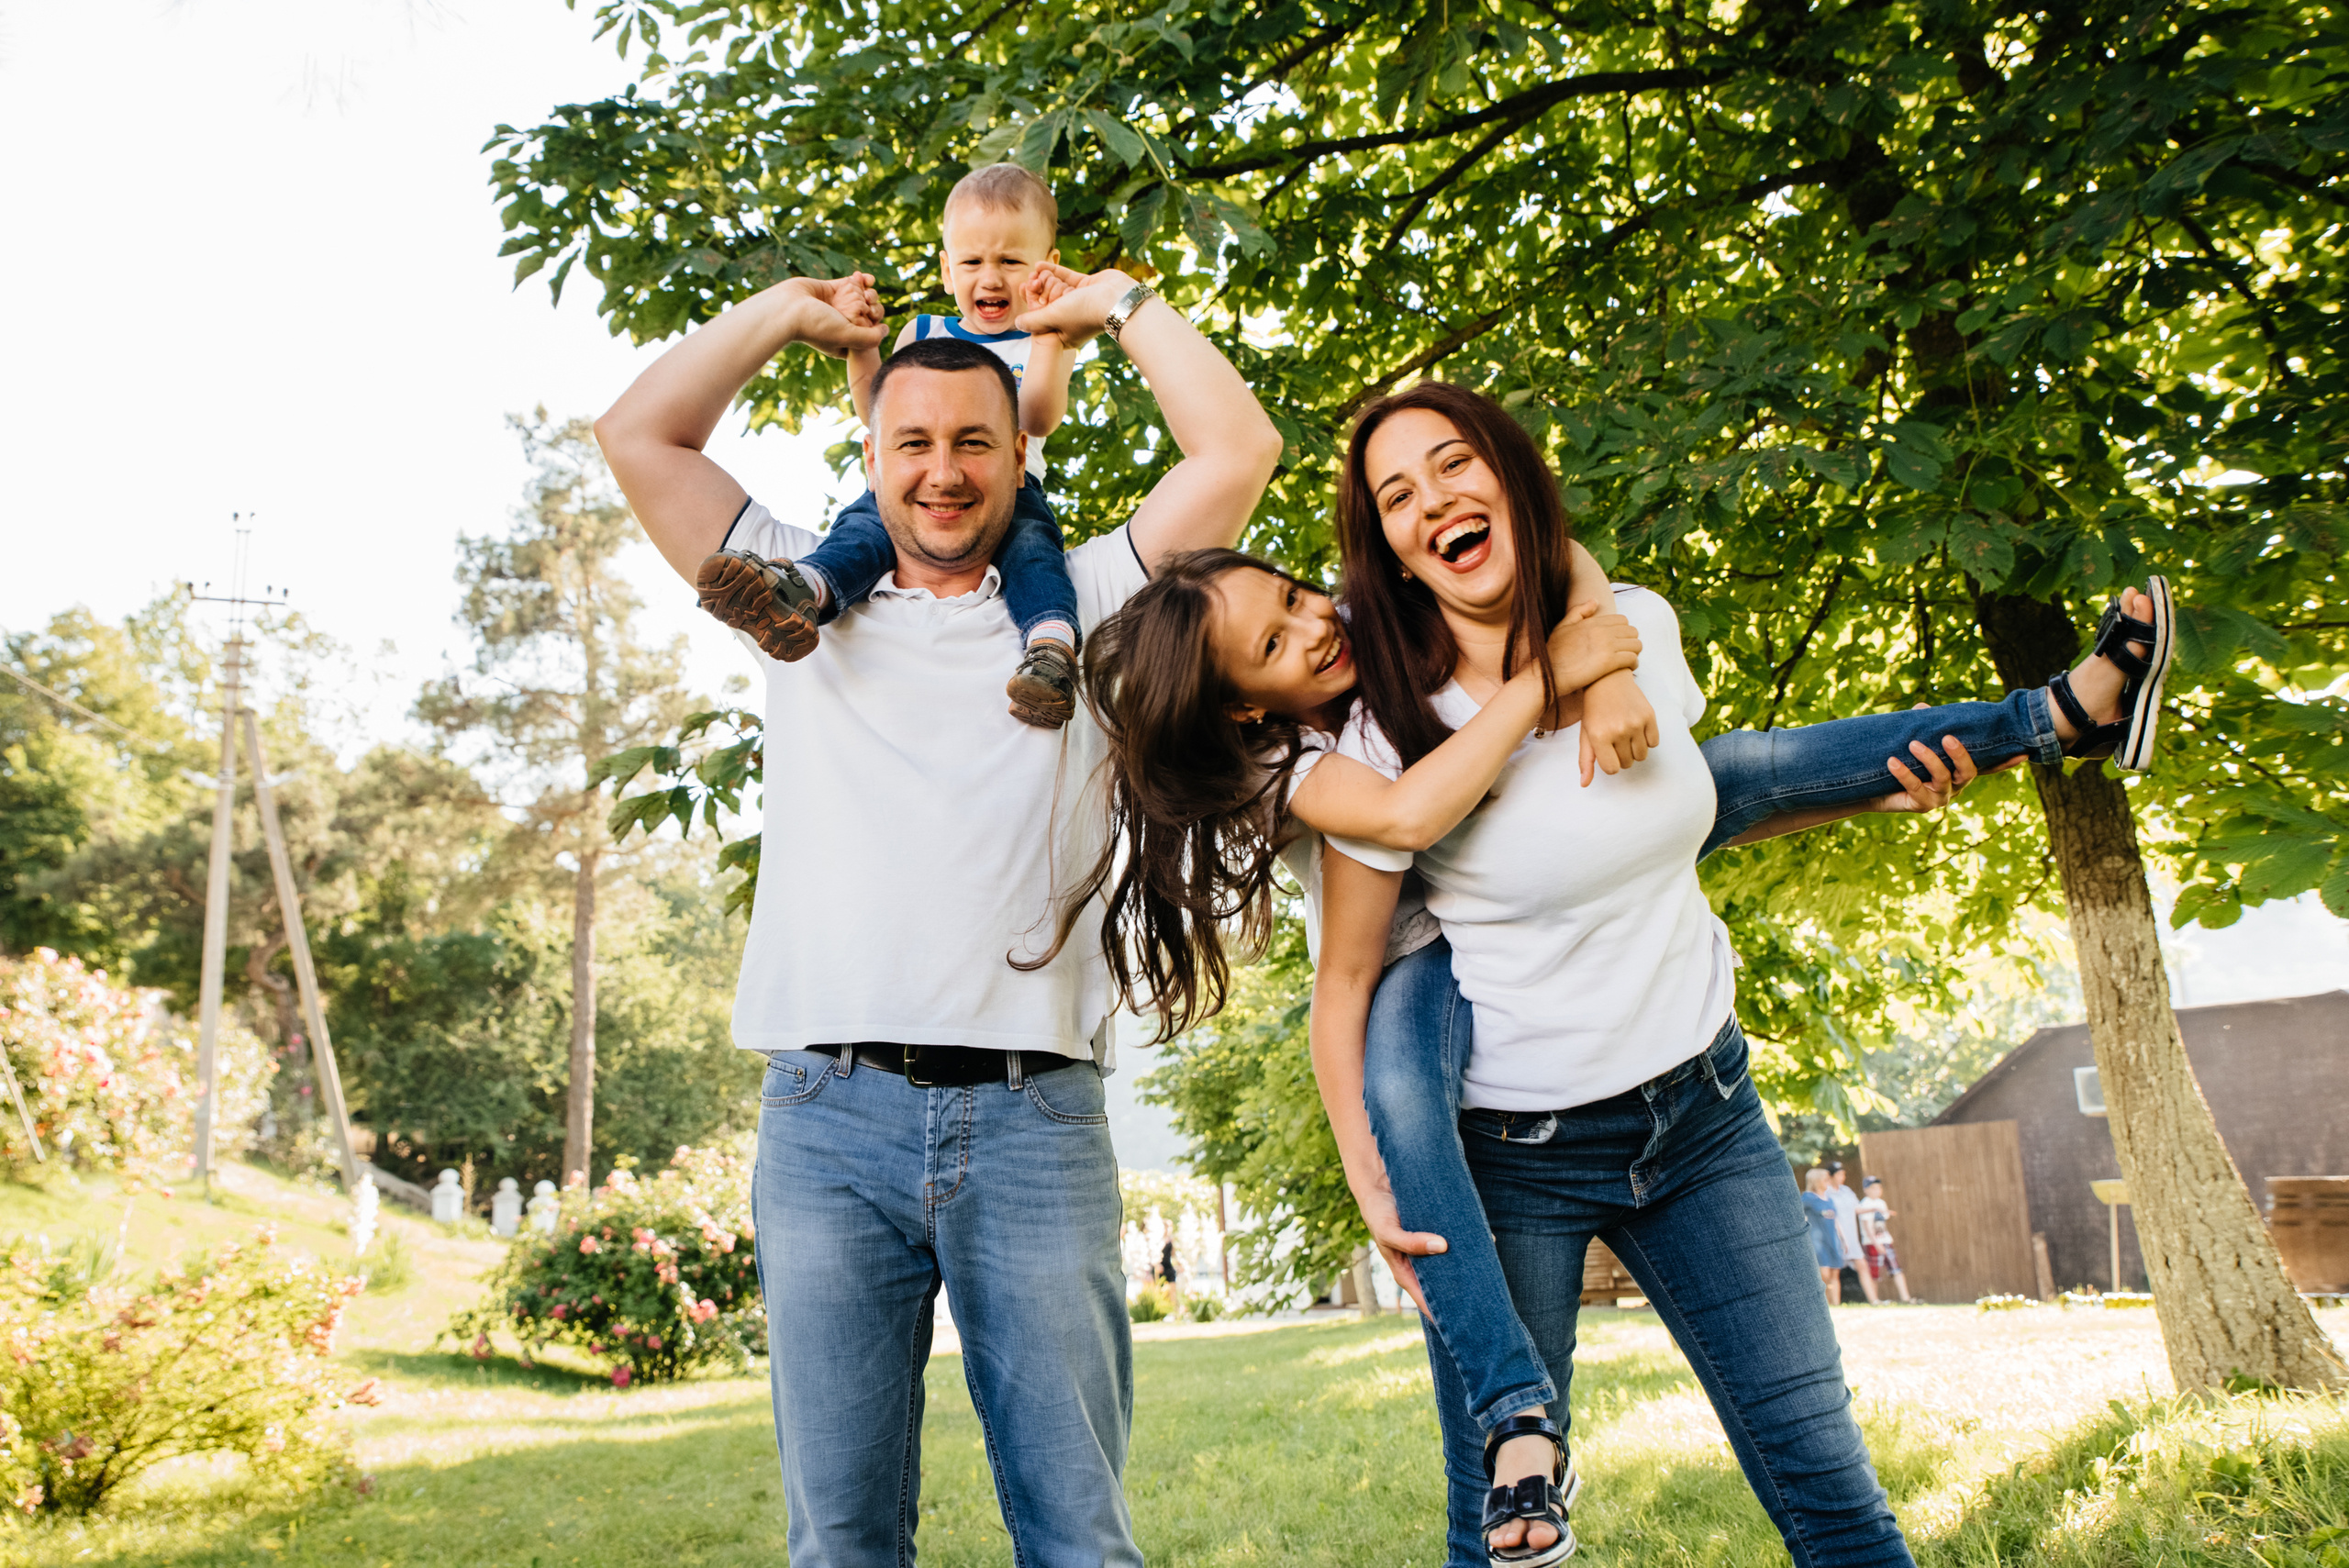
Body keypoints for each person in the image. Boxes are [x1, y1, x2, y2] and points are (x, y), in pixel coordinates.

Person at [1064, 380, 2175, 1566]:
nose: (1433, 504)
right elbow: (1363, 935)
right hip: (1491, 1106)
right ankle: (1516, 1415)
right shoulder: (1369, 730)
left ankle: (2061, 714)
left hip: (1706, 1118)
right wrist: (1366, 1169)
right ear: (1382, 543)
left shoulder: (1621, 626)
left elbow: (1684, 813)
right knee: (1494, 1506)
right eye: (1397, 493)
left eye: (1454, 466)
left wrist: (1667, 698)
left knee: (1831, 1490)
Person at [592, 257, 1281, 1567]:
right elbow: (640, 434)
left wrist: (1118, 304)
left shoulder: (1088, 601)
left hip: (1034, 1119)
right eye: (911, 443)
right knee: (841, 1541)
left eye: (975, 441)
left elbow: (1238, 447)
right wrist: (785, 315)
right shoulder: (796, 600)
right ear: (871, 451)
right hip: (827, 1121)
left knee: (1079, 1535)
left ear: (1022, 453)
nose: (943, 472)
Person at [694, 163, 1088, 727]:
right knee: (861, 530)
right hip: (907, 491)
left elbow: (1039, 415)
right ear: (948, 270)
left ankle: (1050, 652)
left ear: (1045, 266)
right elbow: (879, 414)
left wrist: (1052, 333)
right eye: (973, 262)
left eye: (1011, 261)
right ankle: (800, 591)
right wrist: (861, 346)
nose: (991, 278)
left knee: (1033, 553)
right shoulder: (923, 333)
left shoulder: (1046, 335)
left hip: (1010, 490)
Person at [1827, 1161, 1881, 1304]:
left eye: (1843, 1174)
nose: (1842, 1177)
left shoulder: (1846, 1191)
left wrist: (1874, 1208)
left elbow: (1857, 1209)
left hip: (1852, 1238)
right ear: (1831, 1176)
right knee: (1834, 1272)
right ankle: (1834, 1303)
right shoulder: (1826, 1193)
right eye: (1839, 1174)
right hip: (1835, 1238)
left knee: (1863, 1266)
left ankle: (1874, 1300)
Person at [1858, 1176, 1913, 1303]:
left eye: (1878, 1187)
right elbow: (1867, 1226)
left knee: (1896, 1269)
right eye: (1873, 1188)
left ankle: (1906, 1298)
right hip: (1872, 1243)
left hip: (1885, 1240)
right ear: (1866, 1190)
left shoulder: (1881, 1203)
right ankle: (1875, 1300)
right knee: (1874, 1273)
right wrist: (1876, 1243)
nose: (1877, 1190)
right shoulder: (1865, 1204)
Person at [1804, 1168, 1846, 1304]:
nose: (1828, 1182)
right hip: (1818, 1241)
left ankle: (1836, 1304)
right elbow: (1800, 1217)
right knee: (1824, 1274)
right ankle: (1825, 1303)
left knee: (1835, 1273)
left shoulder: (1830, 1200)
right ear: (1816, 1181)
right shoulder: (1807, 1198)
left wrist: (1843, 1239)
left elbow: (1836, 1220)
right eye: (1825, 1180)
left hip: (1832, 1240)